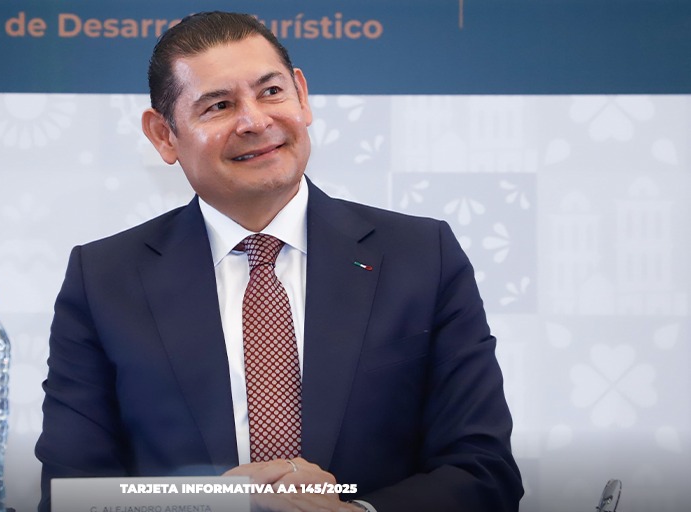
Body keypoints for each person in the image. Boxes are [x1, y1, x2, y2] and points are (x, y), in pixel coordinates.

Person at [36, 11, 522, 512]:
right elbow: (71, 495)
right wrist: (224, 503)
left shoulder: (421, 256)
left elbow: (483, 471)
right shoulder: (105, 280)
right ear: (164, 135)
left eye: (271, 92)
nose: (255, 121)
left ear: (302, 96)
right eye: (219, 105)